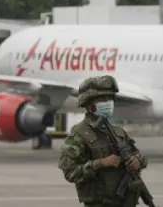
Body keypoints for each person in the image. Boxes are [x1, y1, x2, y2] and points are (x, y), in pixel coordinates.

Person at [58, 75, 149, 207]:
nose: (108, 102)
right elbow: (70, 173)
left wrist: (138, 161)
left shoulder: (119, 133)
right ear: (89, 104)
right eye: (102, 99)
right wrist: (99, 164)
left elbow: (140, 157)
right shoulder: (79, 134)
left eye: (110, 98)